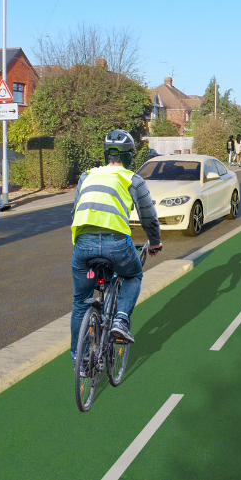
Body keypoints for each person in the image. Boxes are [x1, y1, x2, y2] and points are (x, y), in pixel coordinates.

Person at [70, 129, 162, 359]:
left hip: (83, 244)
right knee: (133, 275)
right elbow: (148, 218)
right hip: (116, 244)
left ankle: (79, 360)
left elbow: (75, 211)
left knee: (80, 301)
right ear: (129, 156)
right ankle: (120, 320)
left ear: (106, 155)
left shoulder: (86, 176)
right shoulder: (132, 179)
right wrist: (154, 243)